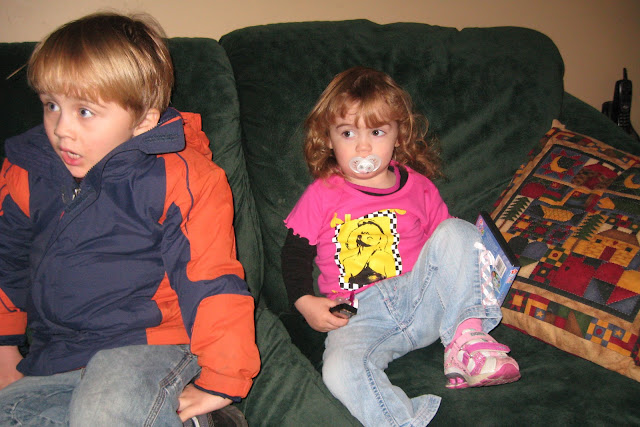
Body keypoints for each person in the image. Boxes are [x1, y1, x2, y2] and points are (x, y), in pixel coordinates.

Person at [0, 12, 260, 426]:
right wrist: (4, 346)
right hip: (59, 354)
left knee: (105, 410)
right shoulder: (26, 171)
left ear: (144, 121)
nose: (61, 129)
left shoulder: (183, 177)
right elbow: (7, 260)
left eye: (85, 111)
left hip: (153, 344)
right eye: (51, 105)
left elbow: (211, 276)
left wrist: (223, 378)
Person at [281, 66, 520, 426]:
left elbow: (450, 250)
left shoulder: (419, 187)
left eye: (377, 132)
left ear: (398, 135)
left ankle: (466, 338)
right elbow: (294, 253)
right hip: (359, 315)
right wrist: (304, 301)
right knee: (339, 371)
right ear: (328, 139)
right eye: (347, 133)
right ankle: (400, 422)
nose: (363, 147)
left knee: (458, 231)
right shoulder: (323, 193)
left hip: (421, 298)